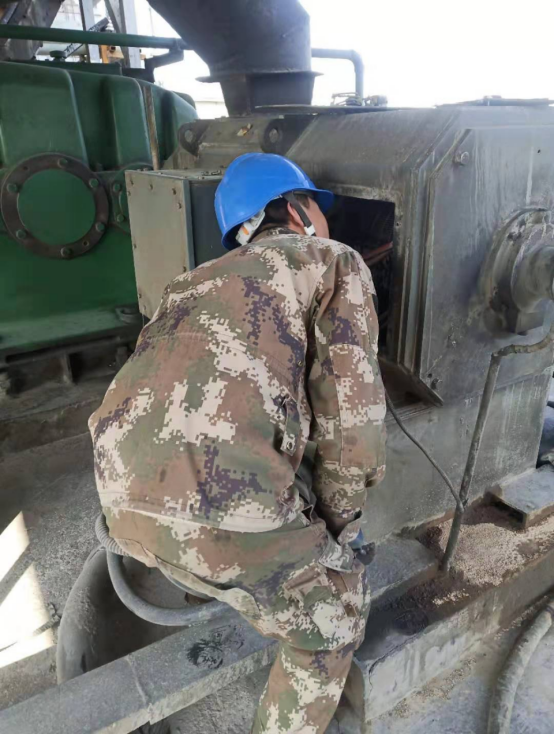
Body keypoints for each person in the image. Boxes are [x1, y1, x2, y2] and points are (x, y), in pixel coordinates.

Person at [89, 153, 386, 733]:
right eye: (317, 207)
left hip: (116, 493)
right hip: (219, 504)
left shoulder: (192, 280)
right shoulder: (333, 259)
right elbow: (353, 424)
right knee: (336, 617)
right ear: (296, 210)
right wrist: (338, 532)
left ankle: (218, 576)